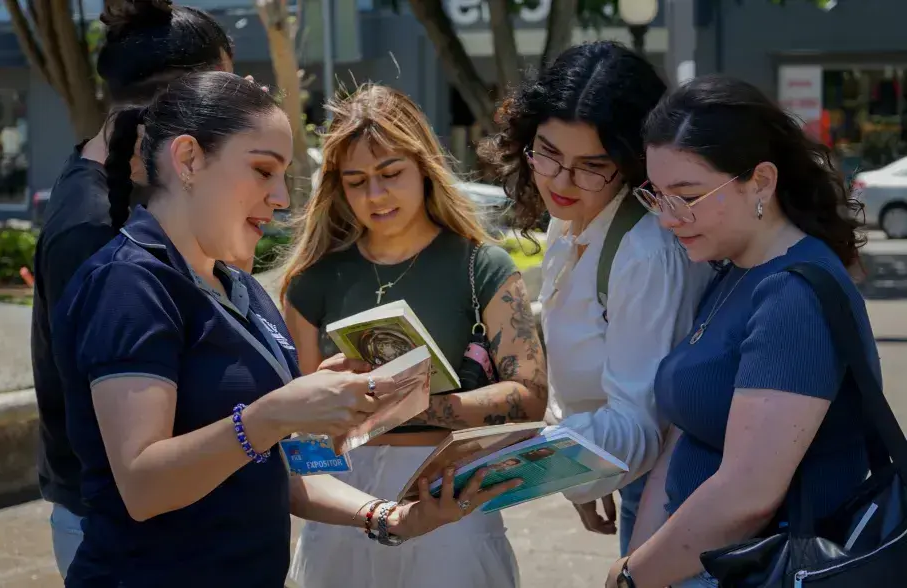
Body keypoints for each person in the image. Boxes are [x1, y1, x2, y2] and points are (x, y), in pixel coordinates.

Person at [49, 71, 519, 587]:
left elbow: (283, 469)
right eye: (262, 171)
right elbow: (143, 486)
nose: (280, 198)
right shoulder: (129, 282)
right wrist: (274, 413)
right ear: (188, 160)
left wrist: (389, 516)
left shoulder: (241, 290)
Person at [605, 75, 878, 588]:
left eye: (686, 196)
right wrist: (639, 562)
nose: (668, 218)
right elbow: (684, 434)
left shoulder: (792, 297)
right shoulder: (734, 269)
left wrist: (630, 578)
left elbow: (747, 497)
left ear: (762, 181)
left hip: (761, 570)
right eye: (657, 196)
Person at [280, 84, 548, 588]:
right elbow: (301, 436)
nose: (375, 195)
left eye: (390, 174)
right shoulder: (310, 281)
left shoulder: (482, 265)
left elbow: (529, 398)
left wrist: (398, 404)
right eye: (356, 181)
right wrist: (324, 418)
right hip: (346, 508)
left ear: (424, 166)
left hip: (448, 498)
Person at [478, 40, 715, 557]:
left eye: (592, 164)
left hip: (673, 496)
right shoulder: (572, 216)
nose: (561, 182)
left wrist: (540, 464)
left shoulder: (646, 252)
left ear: (634, 163)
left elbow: (641, 424)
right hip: (626, 474)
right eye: (548, 153)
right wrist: (579, 474)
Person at [29, 1, 236, 576]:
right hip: (120, 527)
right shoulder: (92, 227)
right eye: (227, 95)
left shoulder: (129, 192)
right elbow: (123, 432)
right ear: (183, 99)